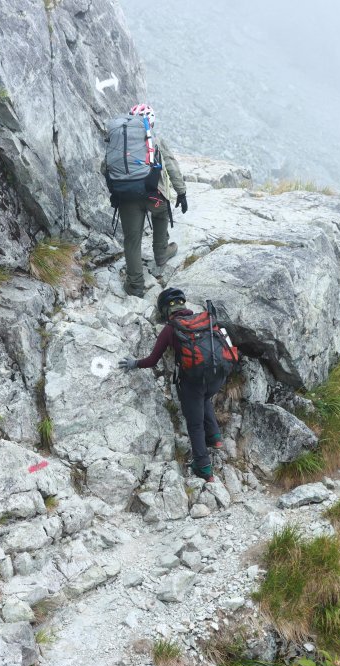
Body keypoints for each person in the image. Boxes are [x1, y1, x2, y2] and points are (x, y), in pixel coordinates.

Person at [116, 288, 229, 483]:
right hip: (218, 376)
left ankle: (203, 468)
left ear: (165, 311)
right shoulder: (204, 320)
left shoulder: (171, 329)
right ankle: (215, 437)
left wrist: (134, 363)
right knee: (205, 398)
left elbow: (152, 360)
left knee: (194, 424)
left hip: (193, 382)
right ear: (184, 305)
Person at [105, 103, 187, 298]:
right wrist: (181, 193)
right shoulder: (155, 140)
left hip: (127, 198)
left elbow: (106, 167)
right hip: (153, 197)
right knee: (162, 214)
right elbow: (172, 167)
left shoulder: (118, 142)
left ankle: (135, 286)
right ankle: (161, 253)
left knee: (132, 241)